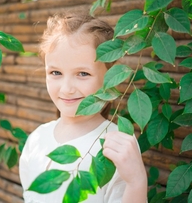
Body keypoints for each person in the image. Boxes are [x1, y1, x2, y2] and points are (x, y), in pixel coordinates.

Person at [19, 12, 147, 203]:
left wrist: (136, 182)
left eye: (83, 73)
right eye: (55, 72)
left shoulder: (116, 145)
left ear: (110, 75)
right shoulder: (37, 139)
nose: (67, 88)